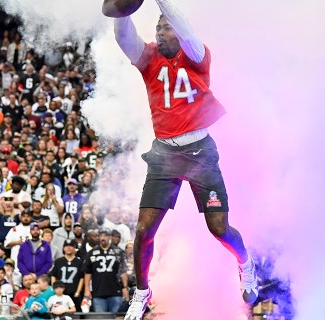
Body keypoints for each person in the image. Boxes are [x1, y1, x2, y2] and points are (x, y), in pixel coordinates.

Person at [112, 0, 259, 317]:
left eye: (165, 27)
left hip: (199, 151)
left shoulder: (195, 54)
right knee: (143, 231)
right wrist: (119, 10)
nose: (160, 32)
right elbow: (124, 38)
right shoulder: (149, 57)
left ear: (177, 32)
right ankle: (142, 291)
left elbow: (184, 26)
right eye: (157, 28)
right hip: (164, 152)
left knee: (218, 228)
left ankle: (246, 262)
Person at [83, 229, 128, 312]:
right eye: (101, 235)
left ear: (110, 237)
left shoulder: (118, 252)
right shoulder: (91, 253)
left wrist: (125, 287)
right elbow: (87, 272)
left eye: (105, 236)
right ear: (98, 237)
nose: (103, 238)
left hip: (116, 291)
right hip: (98, 292)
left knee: (116, 317)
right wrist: (87, 289)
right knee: (101, 318)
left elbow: (123, 271)